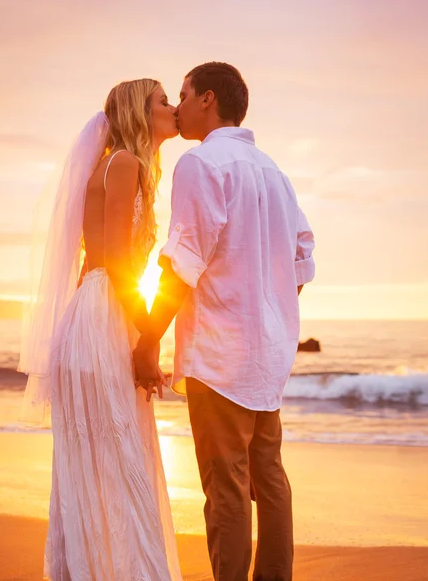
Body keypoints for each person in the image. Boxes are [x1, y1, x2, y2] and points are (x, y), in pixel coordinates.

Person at [134, 62, 316, 581]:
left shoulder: (201, 163)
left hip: (220, 358)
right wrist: (265, 300)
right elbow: (303, 254)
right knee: (270, 479)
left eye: (184, 94)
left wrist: (150, 339)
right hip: (269, 355)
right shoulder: (272, 170)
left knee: (227, 488)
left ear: (208, 99)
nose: (179, 105)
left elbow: (183, 260)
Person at [18, 79, 182, 581]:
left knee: (95, 464)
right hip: (103, 318)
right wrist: (146, 338)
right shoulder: (125, 164)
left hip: (91, 314)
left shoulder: (111, 163)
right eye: (162, 101)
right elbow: (116, 261)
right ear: (139, 112)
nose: (172, 107)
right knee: (120, 455)